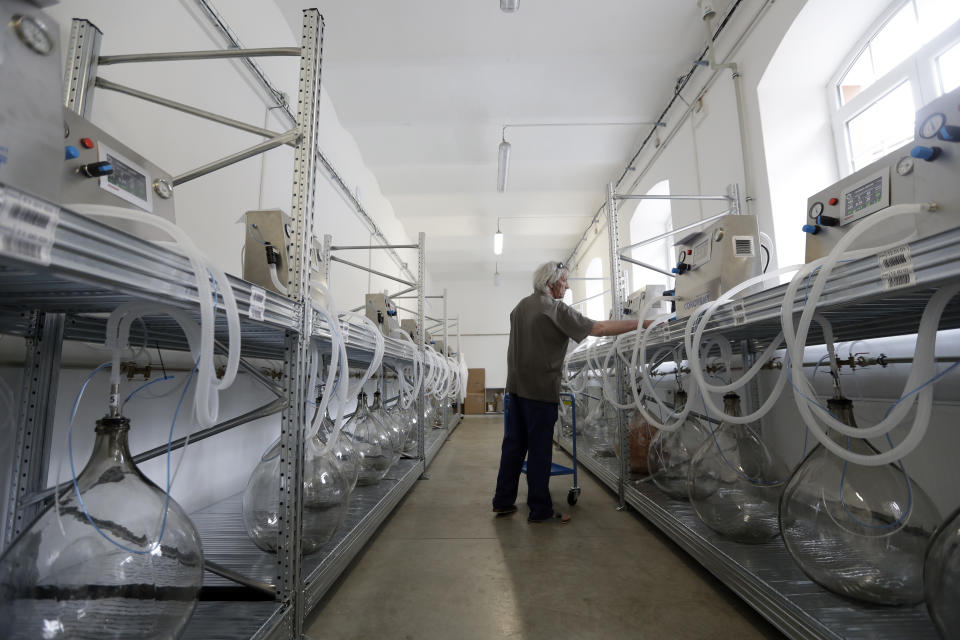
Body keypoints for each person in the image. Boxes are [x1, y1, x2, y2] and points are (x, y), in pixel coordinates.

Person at [492, 261, 644, 523]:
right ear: (551, 282)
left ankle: (503, 501)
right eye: (564, 281)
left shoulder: (520, 307)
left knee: (513, 446)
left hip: (515, 390)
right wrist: (643, 323)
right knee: (540, 451)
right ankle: (541, 510)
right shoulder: (554, 309)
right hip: (540, 391)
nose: (567, 285)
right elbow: (599, 329)